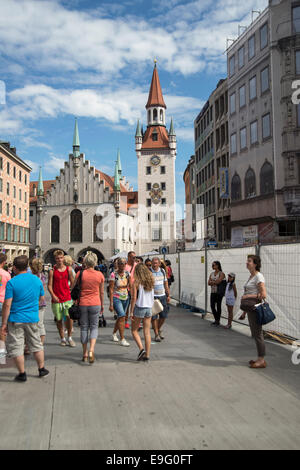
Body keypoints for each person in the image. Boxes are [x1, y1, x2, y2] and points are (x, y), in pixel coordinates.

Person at [0, 255, 49, 382]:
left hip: (16, 318)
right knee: (36, 344)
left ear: (14, 268)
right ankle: (41, 369)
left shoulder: (12, 282)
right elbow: (41, 298)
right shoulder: (36, 280)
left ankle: (22, 373)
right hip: (32, 317)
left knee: (17, 346)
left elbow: (7, 304)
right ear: (27, 266)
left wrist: (4, 323)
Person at [75, 252, 104, 363]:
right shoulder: (99, 275)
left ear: (85, 261)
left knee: (84, 328)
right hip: (95, 303)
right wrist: (102, 306)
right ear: (95, 262)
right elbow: (101, 292)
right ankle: (92, 349)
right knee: (94, 327)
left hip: (82, 303)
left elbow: (74, 287)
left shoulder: (80, 274)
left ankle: (85, 353)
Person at [241, 255, 267, 369]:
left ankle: (261, 360)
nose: (247, 262)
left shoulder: (258, 277)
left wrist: (248, 296)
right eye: (247, 260)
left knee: (258, 334)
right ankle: (259, 358)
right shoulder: (251, 276)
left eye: (249, 261)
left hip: (256, 309)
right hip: (251, 309)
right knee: (255, 334)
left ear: (255, 264)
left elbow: (263, 295)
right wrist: (244, 313)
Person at [48, 250, 75, 347]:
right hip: (56, 299)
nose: (59, 260)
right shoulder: (52, 271)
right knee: (59, 320)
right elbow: (49, 285)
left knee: (69, 317)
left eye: (61, 258)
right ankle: (62, 338)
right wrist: (53, 295)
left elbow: (72, 282)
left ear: (63, 258)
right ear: (55, 259)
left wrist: (70, 291)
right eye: (57, 258)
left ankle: (70, 337)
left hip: (67, 298)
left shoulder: (68, 269)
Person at [130, 263, 154, 361]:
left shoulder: (136, 282)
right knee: (147, 332)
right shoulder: (151, 281)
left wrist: (131, 311)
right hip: (149, 308)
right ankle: (147, 355)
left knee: (134, 330)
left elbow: (134, 298)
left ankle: (141, 349)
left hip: (139, 307)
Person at [109, 258, 130, 346]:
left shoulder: (127, 274)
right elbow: (111, 289)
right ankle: (122, 338)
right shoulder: (114, 274)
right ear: (117, 264)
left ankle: (114, 333)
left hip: (126, 297)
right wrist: (111, 304)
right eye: (120, 263)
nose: (122, 265)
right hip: (117, 297)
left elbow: (130, 285)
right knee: (122, 316)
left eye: (124, 264)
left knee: (121, 317)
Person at [150, 257, 170, 342]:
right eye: (153, 263)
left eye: (156, 263)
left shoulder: (162, 271)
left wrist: (168, 295)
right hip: (153, 296)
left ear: (159, 264)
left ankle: (157, 329)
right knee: (154, 317)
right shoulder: (149, 271)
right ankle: (156, 334)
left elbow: (165, 283)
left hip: (162, 296)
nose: (154, 264)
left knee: (164, 315)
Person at [30, 258, 47, 345]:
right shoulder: (42, 276)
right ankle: (41, 343)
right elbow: (43, 292)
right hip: (41, 303)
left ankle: (31, 344)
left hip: (33, 303)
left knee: (31, 324)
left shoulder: (31, 277)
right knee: (40, 324)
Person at [208, 261, 225, 327]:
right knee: (212, 305)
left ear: (217, 266)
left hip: (219, 292)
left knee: (218, 306)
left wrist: (212, 282)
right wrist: (214, 282)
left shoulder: (221, 274)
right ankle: (216, 319)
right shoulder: (211, 273)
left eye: (213, 265)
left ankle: (217, 321)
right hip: (213, 292)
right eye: (212, 265)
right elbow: (208, 283)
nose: (212, 266)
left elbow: (218, 281)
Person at [124, 251, 137, 329]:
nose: (134, 259)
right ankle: (125, 321)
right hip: (126, 289)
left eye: (135, 257)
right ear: (128, 257)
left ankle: (135, 321)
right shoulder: (125, 266)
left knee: (135, 306)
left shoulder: (136, 265)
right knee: (127, 306)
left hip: (135, 288)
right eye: (133, 257)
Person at [0, 253, 11, 347]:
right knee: (2, 327)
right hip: (2, 301)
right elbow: (9, 289)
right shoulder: (6, 274)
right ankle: (2, 351)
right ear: (3, 263)